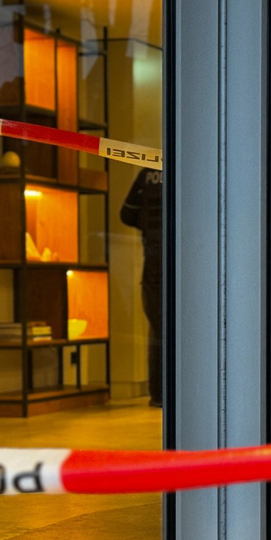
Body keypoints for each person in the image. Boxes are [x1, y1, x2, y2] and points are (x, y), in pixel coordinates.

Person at [119, 168, 164, 408]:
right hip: (191, 264)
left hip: (155, 263)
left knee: (159, 330)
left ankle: (159, 394)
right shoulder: (193, 164)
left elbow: (127, 214)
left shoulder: (148, 172)